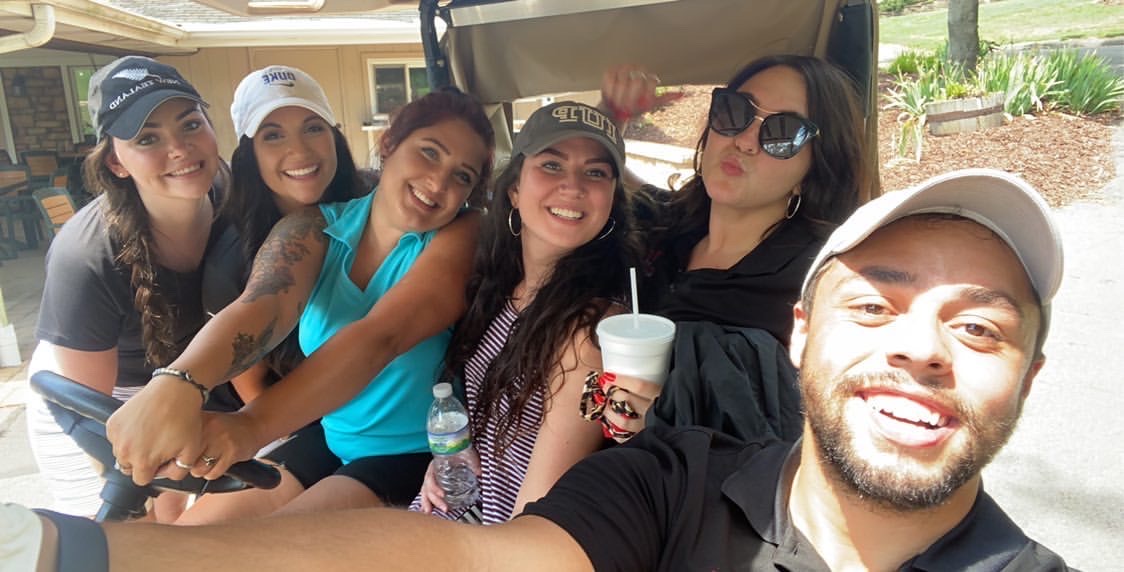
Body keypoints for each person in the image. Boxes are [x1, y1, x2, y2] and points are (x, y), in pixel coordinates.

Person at [16, 168, 1071, 571]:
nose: (917, 346)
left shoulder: (590, 323)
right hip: (445, 492)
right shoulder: (681, 485)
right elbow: (501, 553)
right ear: (806, 331)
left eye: (977, 328)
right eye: (875, 306)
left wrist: (234, 425)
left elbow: (509, 511)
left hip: (450, 491)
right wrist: (58, 548)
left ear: (1029, 373)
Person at [103, 87, 495, 516]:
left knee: (270, 548)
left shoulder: (464, 233)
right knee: (193, 538)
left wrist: (249, 427)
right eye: (430, 153)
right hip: (332, 438)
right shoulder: (312, 227)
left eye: (463, 177)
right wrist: (176, 383)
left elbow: (382, 336)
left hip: (416, 452)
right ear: (389, 145)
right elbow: (262, 307)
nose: (439, 182)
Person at [595, 55, 874, 442]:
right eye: (734, 111)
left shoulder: (820, 286)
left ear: (814, 171)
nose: (743, 141)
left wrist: (675, 416)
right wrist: (611, 117)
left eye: (782, 132)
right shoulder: (672, 225)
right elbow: (598, 181)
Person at [410, 102, 641, 523]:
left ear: (611, 199)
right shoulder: (501, 287)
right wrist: (451, 459)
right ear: (514, 190)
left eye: (595, 172)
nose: (572, 186)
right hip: (449, 511)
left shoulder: (593, 333)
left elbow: (540, 510)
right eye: (551, 165)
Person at [25, 55, 230, 520]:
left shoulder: (234, 196)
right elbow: (89, 412)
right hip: (94, 401)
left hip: (187, 385)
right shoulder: (86, 257)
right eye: (148, 138)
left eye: (190, 124)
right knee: (125, 536)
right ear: (117, 162)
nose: (180, 148)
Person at [178, 64, 370, 523]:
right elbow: (254, 391)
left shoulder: (378, 208)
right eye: (272, 135)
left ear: (335, 137)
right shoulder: (230, 262)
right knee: (202, 533)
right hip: (296, 424)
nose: (299, 150)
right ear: (248, 155)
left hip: (395, 417)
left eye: (312, 128)